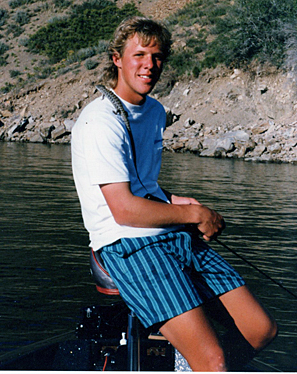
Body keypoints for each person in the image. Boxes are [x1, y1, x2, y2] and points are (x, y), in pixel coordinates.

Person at [71, 16, 277, 371]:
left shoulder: (153, 111)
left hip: (166, 235)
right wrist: (196, 215)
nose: (149, 65)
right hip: (126, 244)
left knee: (262, 330)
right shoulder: (99, 121)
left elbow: (142, 184)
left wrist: (175, 201)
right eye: (139, 55)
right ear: (117, 59)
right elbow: (124, 209)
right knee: (212, 362)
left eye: (157, 56)